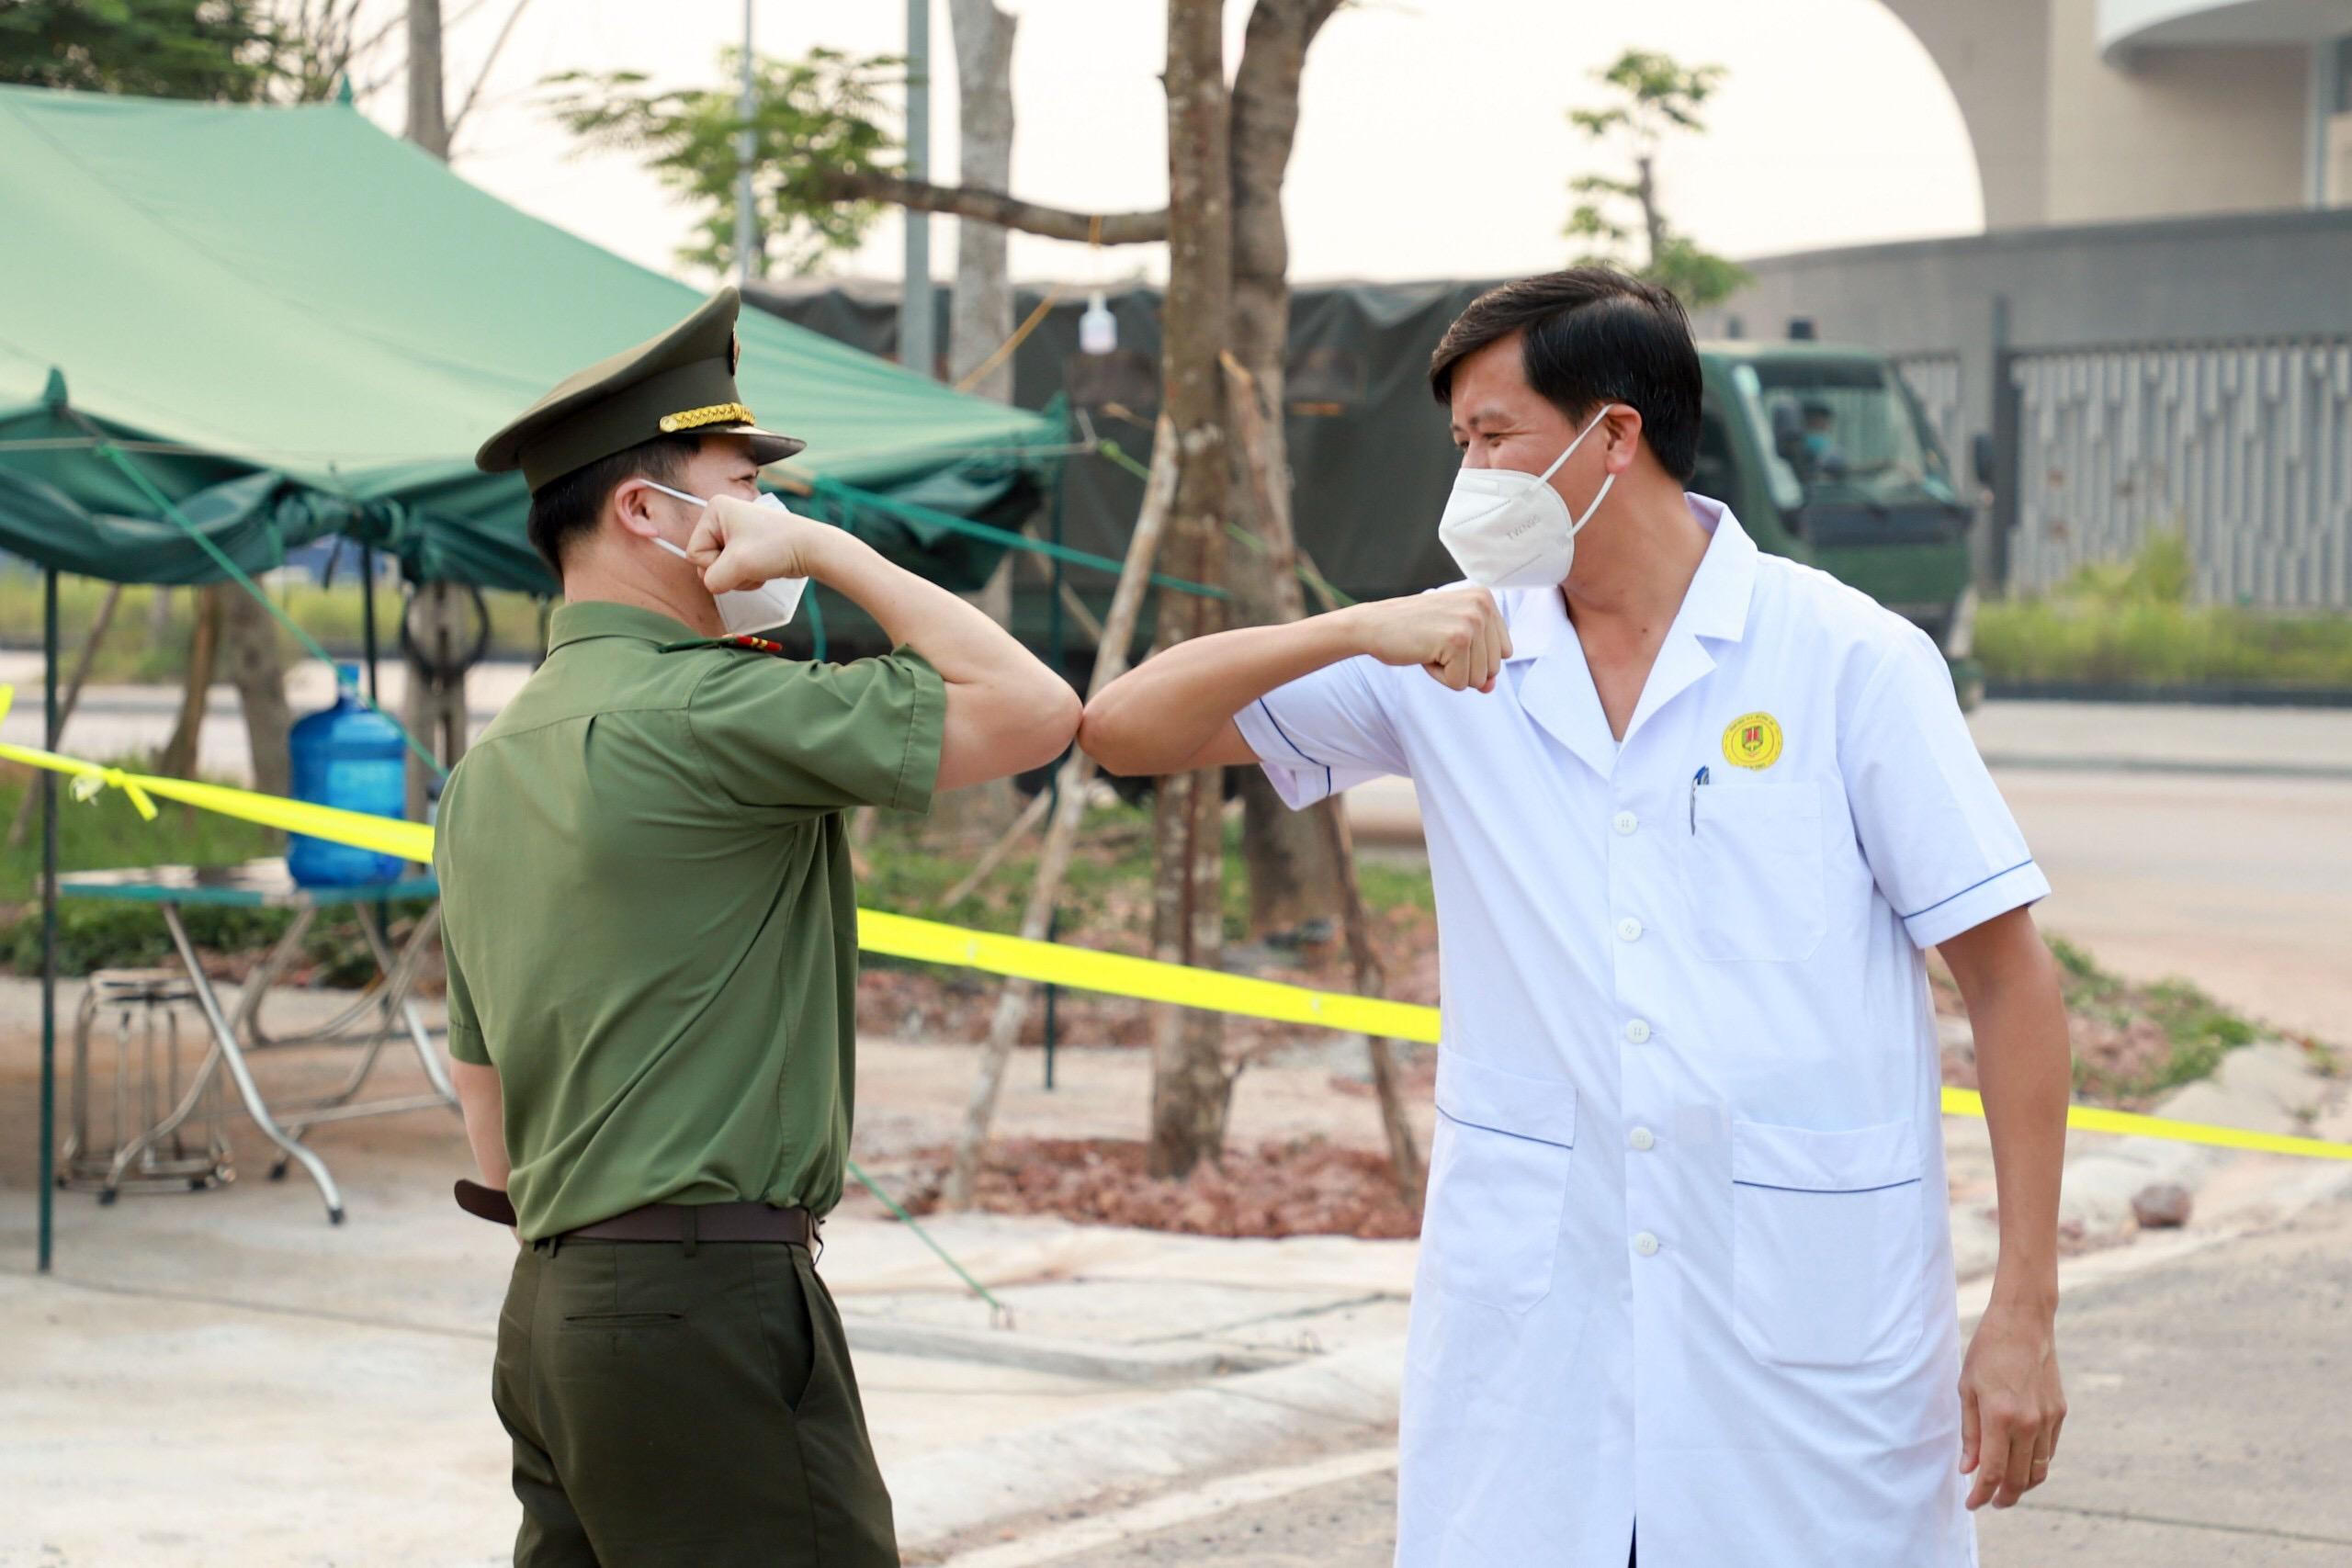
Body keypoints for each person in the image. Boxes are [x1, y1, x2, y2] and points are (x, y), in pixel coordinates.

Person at [1079, 268, 2069, 1567]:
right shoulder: (1446, 659)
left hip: (1804, 1332)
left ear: (1615, 435)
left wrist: (2025, 1310)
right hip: (1539, 1334)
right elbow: (1123, 730)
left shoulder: (1846, 660)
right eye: (1460, 444)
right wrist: (1357, 627)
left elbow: (2008, 980)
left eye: (1497, 438)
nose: (1470, 477)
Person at [442, 286, 1080, 1567]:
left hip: (553, 1311)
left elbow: (488, 1120)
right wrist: (832, 554)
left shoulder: (488, 766)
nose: (772, 519)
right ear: (646, 511)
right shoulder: (715, 710)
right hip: (702, 1305)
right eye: (747, 492)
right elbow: (1036, 709)